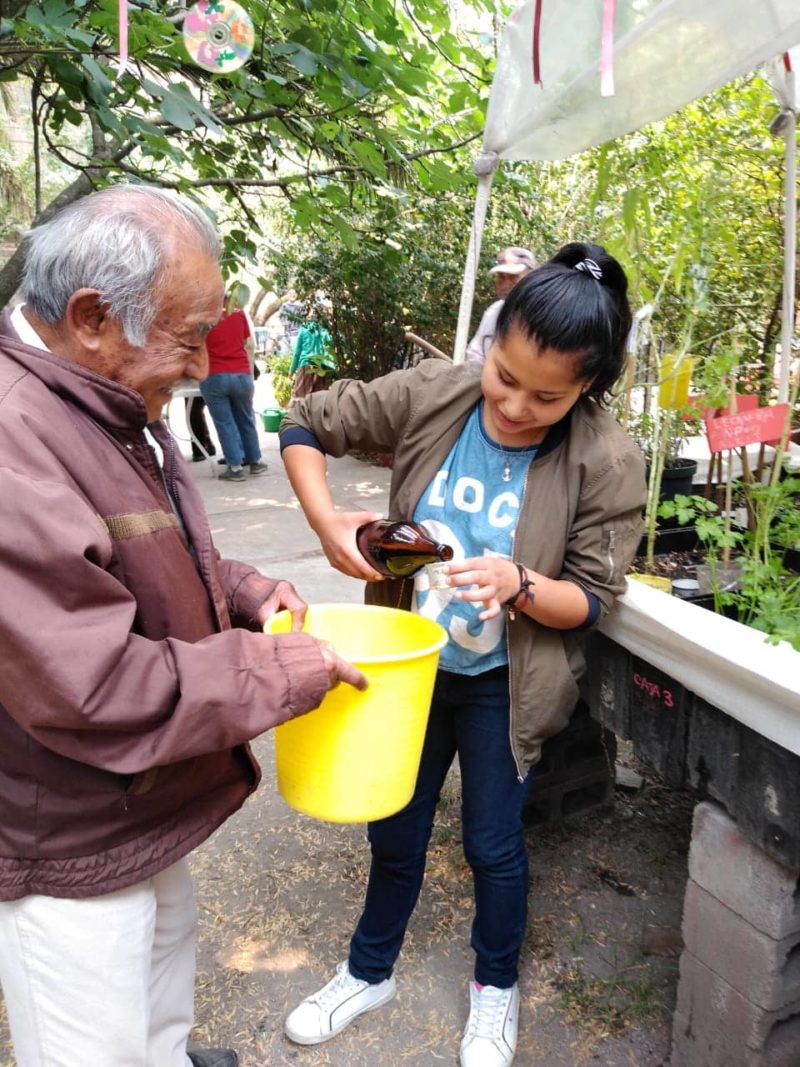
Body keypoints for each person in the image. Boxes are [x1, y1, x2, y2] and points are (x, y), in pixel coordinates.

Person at [0, 184, 367, 1067]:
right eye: (189, 334)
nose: (205, 363)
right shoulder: (15, 439)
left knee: (163, 970)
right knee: (95, 1040)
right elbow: (91, 682)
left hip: (138, 794)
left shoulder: (98, 397)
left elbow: (136, 550)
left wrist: (239, 588)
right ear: (93, 317)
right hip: (69, 827)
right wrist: (281, 670)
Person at [278, 242, 646, 1067]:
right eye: (504, 376)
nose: (513, 405)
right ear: (493, 343)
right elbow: (306, 421)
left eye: (546, 396)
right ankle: (368, 970)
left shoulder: (607, 457)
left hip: (503, 683)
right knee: (396, 827)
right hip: (411, 669)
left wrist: (521, 582)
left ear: (587, 386)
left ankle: (495, 987)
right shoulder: (438, 391)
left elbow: (592, 599)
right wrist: (327, 523)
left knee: (492, 844)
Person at [200, 289, 266, 481]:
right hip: (242, 374)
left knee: (224, 423)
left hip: (214, 374)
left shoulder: (205, 318)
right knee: (246, 419)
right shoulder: (239, 314)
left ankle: (235, 468)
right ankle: (255, 462)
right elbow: (245, 340)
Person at [466, 246, 537, 364]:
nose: (505, 284)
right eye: (501, 277)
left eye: (513, 277)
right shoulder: (494, 312)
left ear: (532, 277)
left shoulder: (544, 314)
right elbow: (475, 354)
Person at [289, 299, 337, 401]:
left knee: (300, 399)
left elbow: (297, 353)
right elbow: (330, 350)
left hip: (305, 367)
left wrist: (292, 370)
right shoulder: (324, 331)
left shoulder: (303, 330)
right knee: (318, 400)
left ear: (308, 317)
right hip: (320, 368)